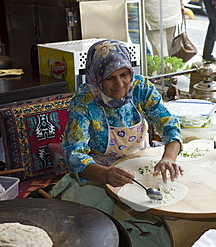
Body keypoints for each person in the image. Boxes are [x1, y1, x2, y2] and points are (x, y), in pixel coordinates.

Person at [50, 39, 184, 216]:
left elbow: (169, 125)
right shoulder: (84, 101)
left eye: (124, 75)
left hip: (141, 167)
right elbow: (74, 154)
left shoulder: (140, 88)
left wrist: (168, 157)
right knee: (100, 222)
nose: (119, 85)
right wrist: (106, 175)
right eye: (110, 78)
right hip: (98, 174)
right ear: (96, 77)